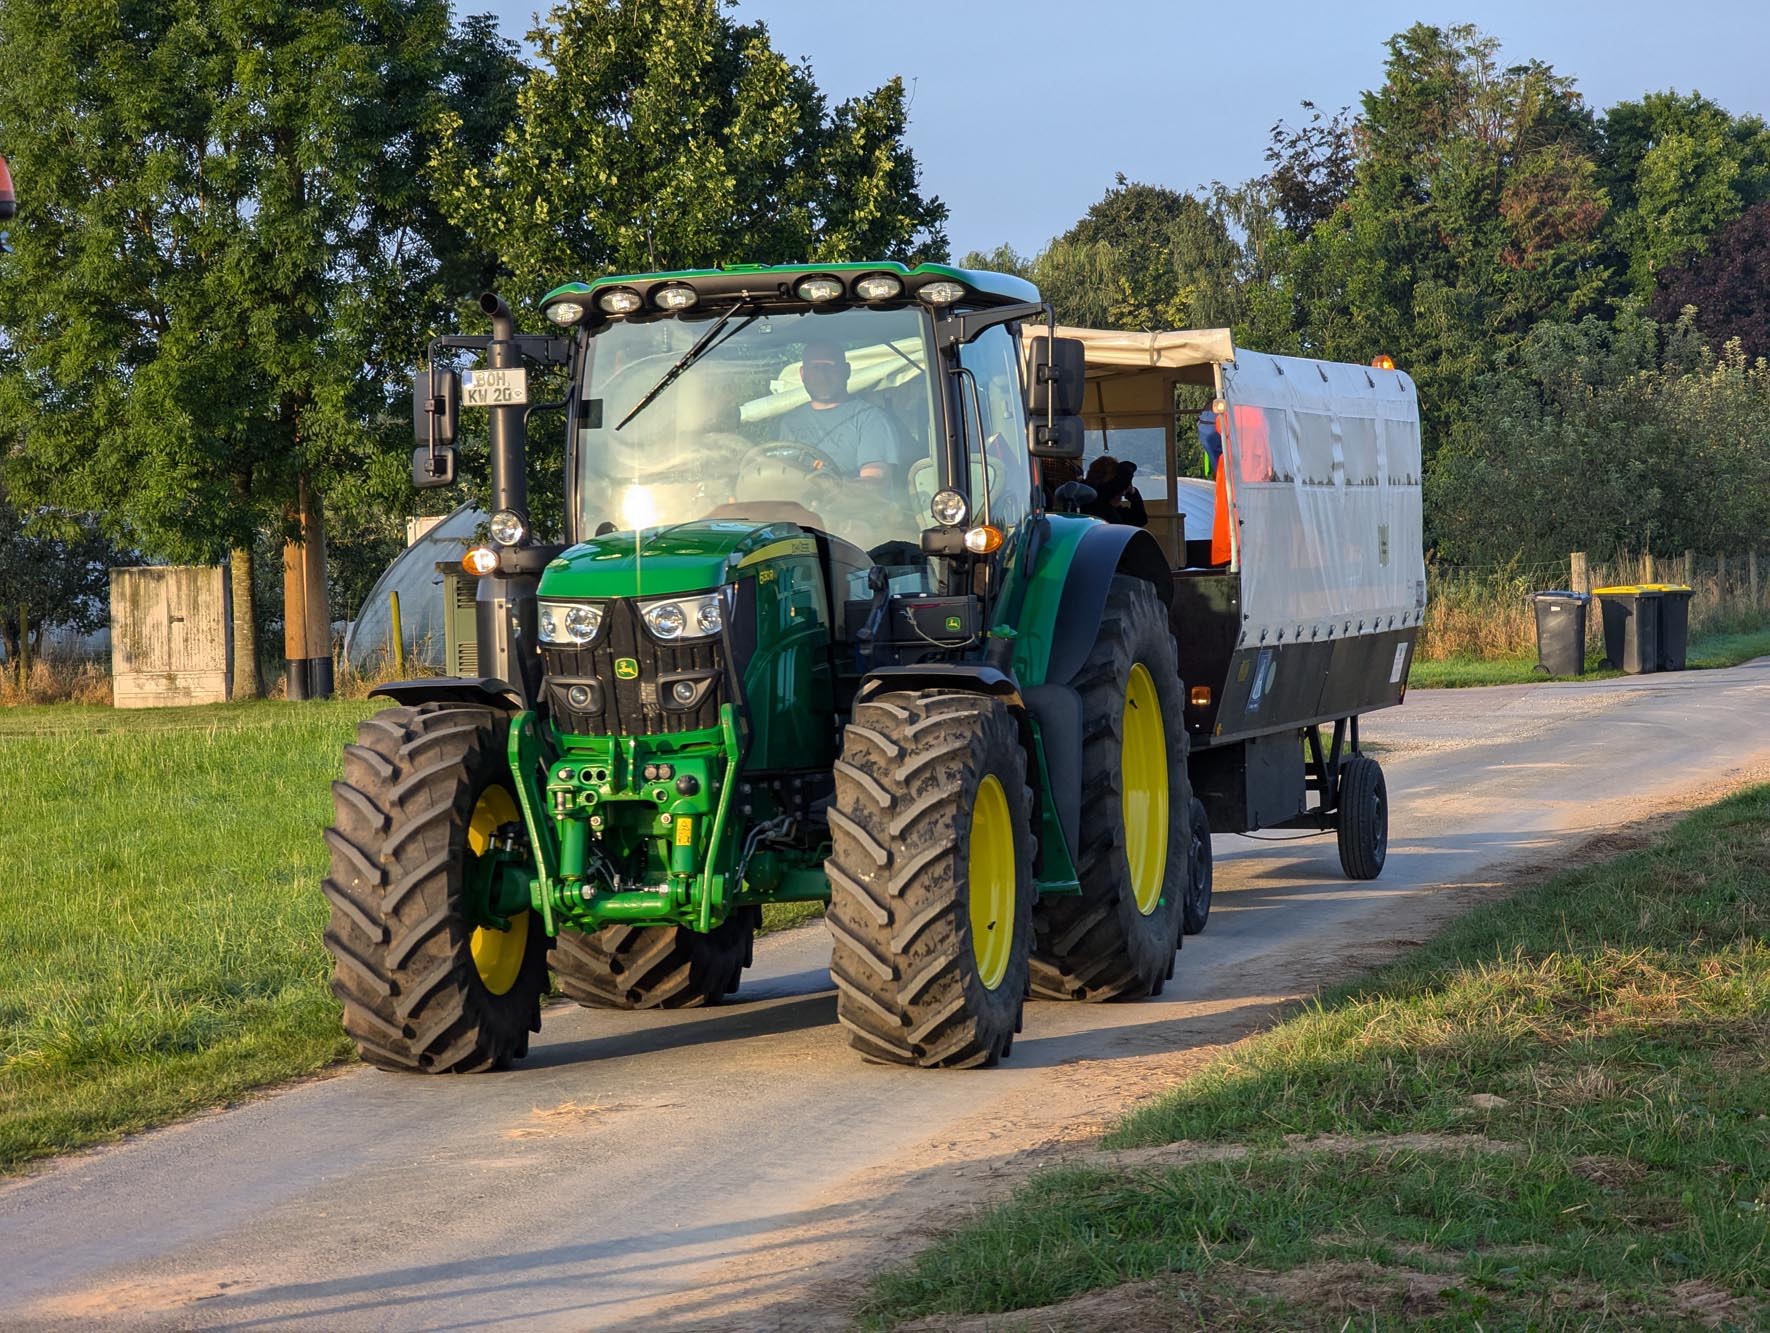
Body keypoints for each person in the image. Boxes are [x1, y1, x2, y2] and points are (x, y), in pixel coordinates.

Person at [775, 339, 916, 481]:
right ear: (802, 374)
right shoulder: (790, 421)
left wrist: (826, 488)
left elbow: (874, 484)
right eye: (815, 368)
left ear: (846, 371)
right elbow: (782, 473)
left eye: (829, 367)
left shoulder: (871, 419)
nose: (822, 375)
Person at [1083, 455, 1148, 527]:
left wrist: (1133, 492)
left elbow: (1140, 520)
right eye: (1119, 488)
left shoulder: (1093, 502)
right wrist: (1133, 494)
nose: (1123, 494)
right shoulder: (1103, 511)